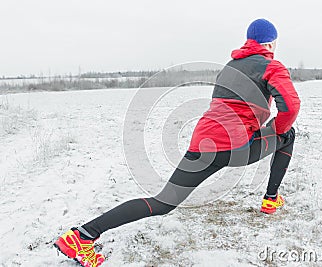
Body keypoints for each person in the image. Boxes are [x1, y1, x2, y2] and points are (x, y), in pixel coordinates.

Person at [54, 18, 301, 267]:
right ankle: (271, 199)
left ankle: (81, 236)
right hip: (236, 147)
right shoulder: (272, 66)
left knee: (163, 202)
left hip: (202, 143)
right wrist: (276, 130)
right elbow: (290, 107)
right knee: (287, 134)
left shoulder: (229, 66)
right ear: (270, 43)